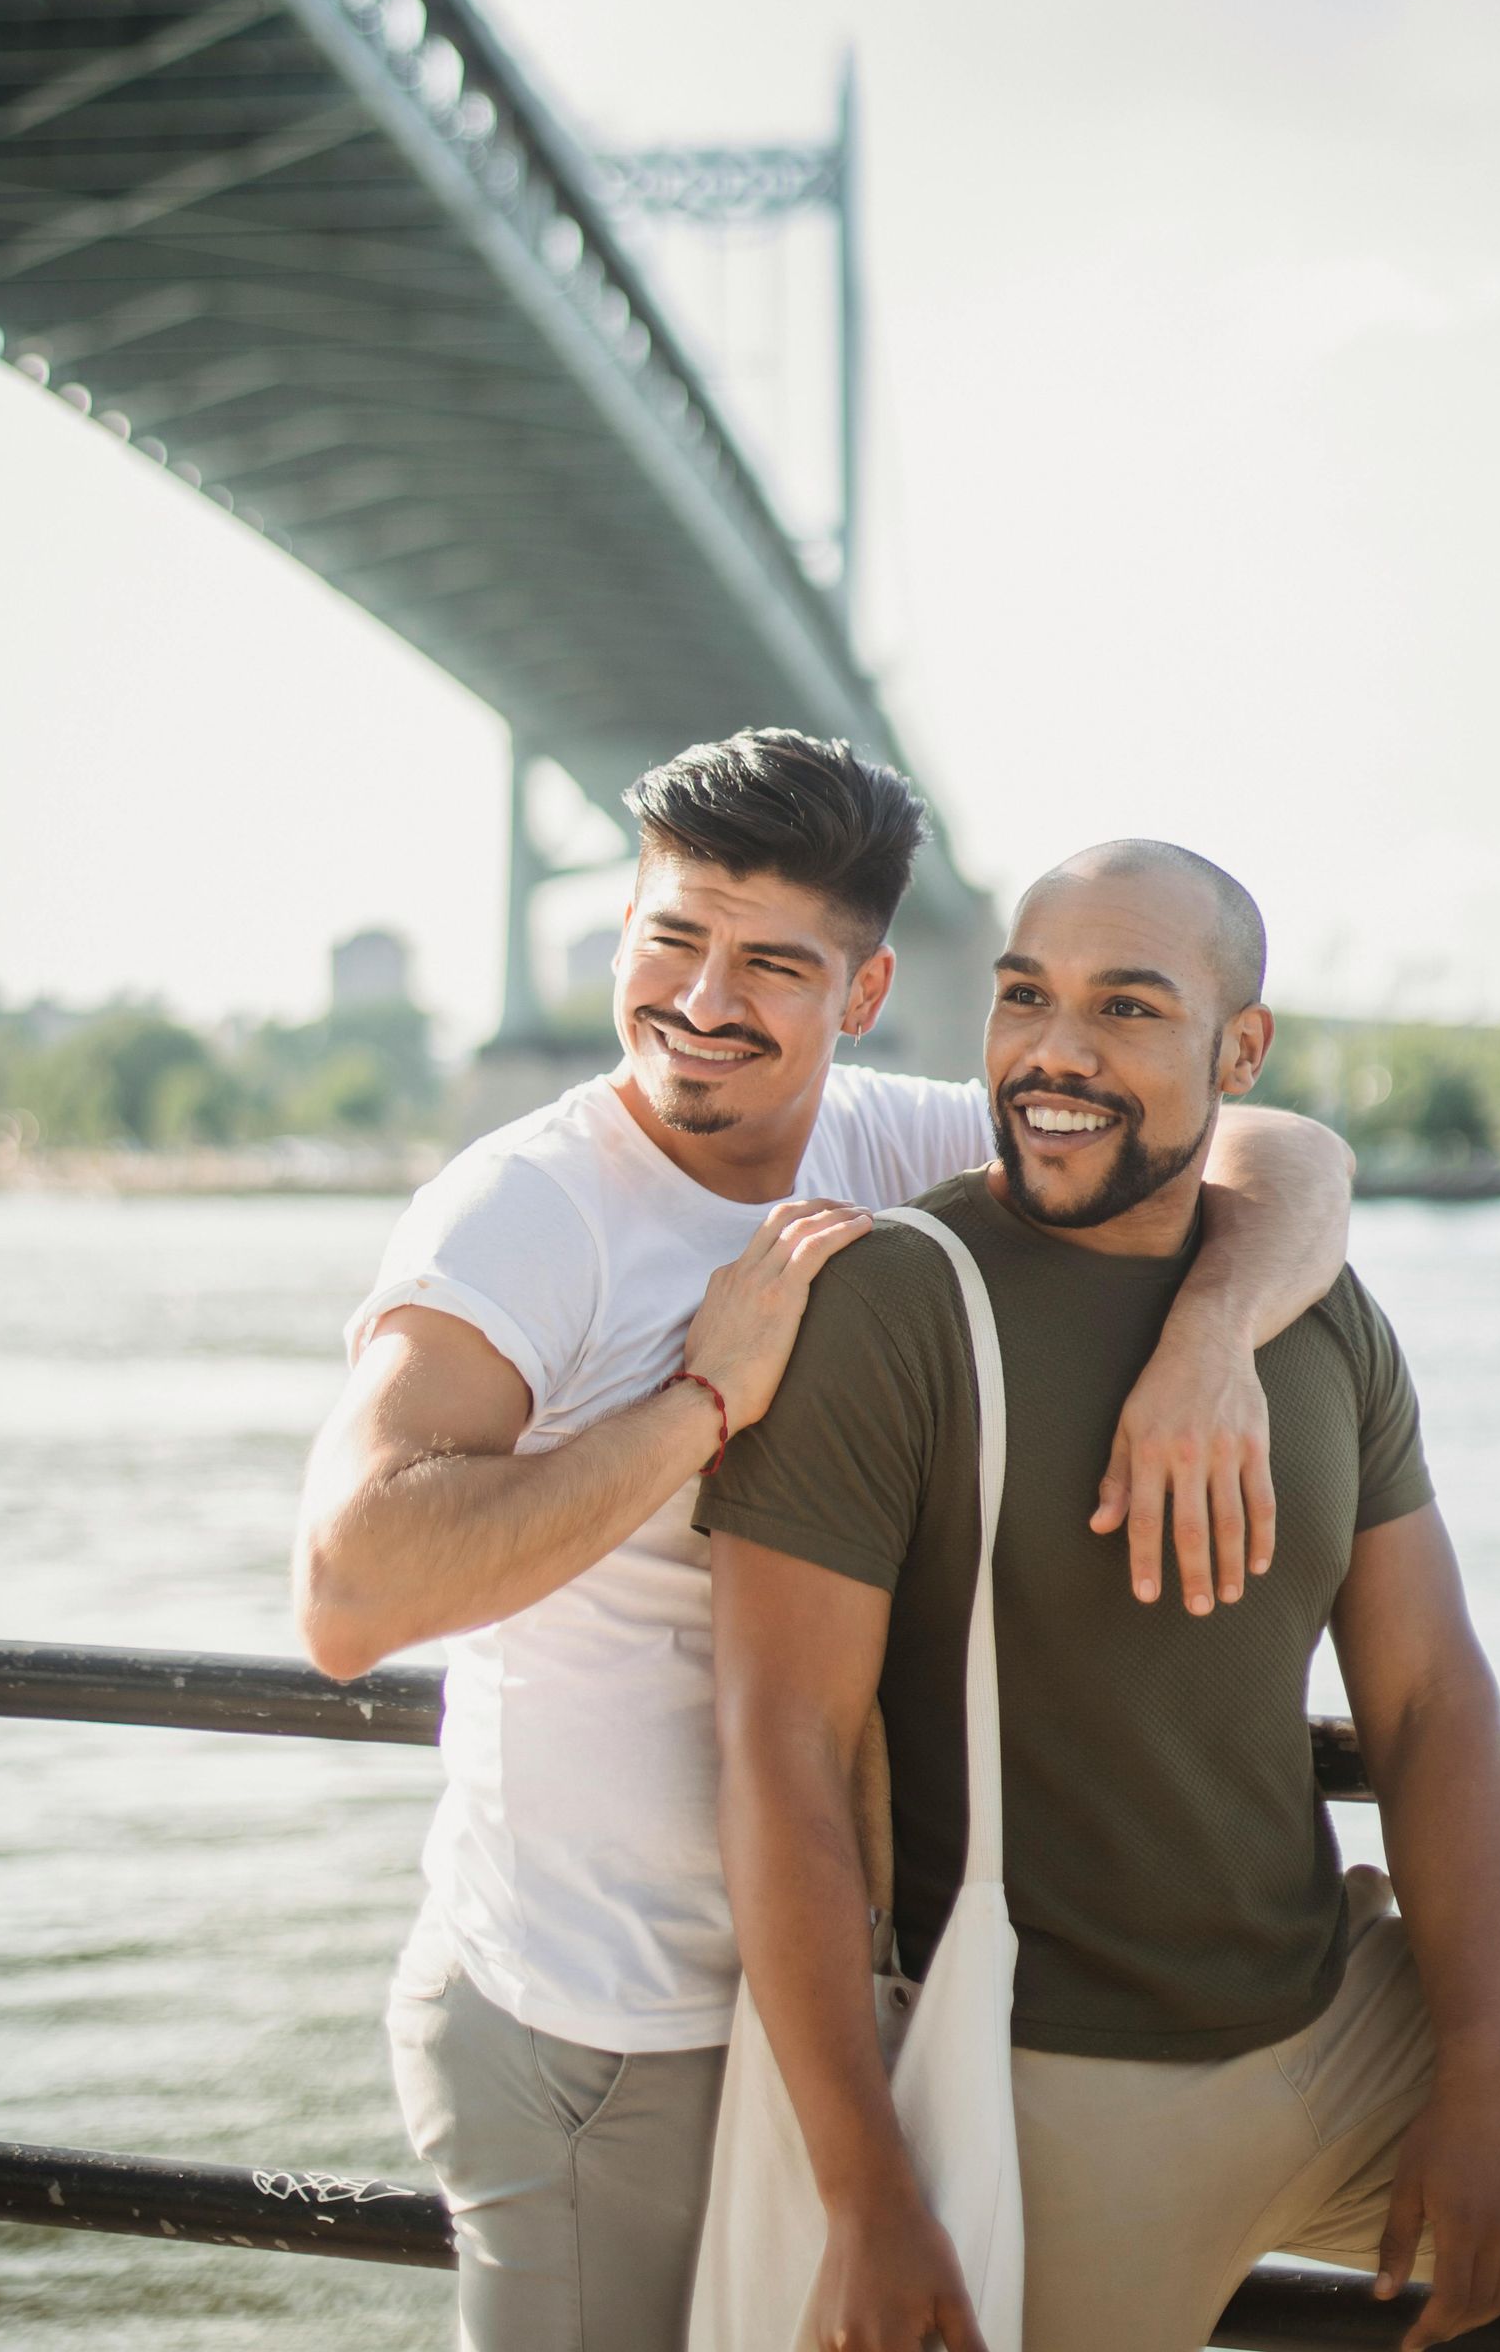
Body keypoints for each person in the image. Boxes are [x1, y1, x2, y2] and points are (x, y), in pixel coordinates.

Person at [296, 741, 1354, 2352]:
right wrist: (699, 1401)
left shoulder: (887, 1144)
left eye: (773, 964)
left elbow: (1276, 1153)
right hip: (605, 2028)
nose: (704, 1000)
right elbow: (350, 1592)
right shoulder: (522, 1216)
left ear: (860, 998)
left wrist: (1211, 1333)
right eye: (671, 938)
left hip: (853, 2011)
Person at [700, 838, 1500, 2352]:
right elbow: (776, 1756)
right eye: (1026, 998)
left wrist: (1482, 2072)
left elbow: (1431, 1697)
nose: (1054, 1053)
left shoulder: (1311, 1311)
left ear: (1241, 1048)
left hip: (1344, 2020)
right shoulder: (892, 1305)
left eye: (1127, 1010)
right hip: (1053, 2095)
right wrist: (869, 2200)